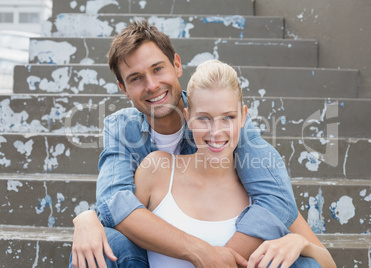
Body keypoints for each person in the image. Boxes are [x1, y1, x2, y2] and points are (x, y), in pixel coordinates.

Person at [68, 21, 329, 267]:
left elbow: (276, 200)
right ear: (123, 89)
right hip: (152, 248)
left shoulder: (229, 127)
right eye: (136, 78)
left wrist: (224, 259)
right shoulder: (123, 129)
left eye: (158, 69)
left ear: (177, 65)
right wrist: (86, 218)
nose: (152, 85)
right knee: (103, 245)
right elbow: (115, 202)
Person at [134, 59, 336, 268]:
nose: (216, 131)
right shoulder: (157, 170)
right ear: (187, 118)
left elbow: (329, 265)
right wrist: (95, 218)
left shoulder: (262, 192)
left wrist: (300, 242)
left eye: (228, 117)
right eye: (204, 118)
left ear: (243, 117)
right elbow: (117, 226)